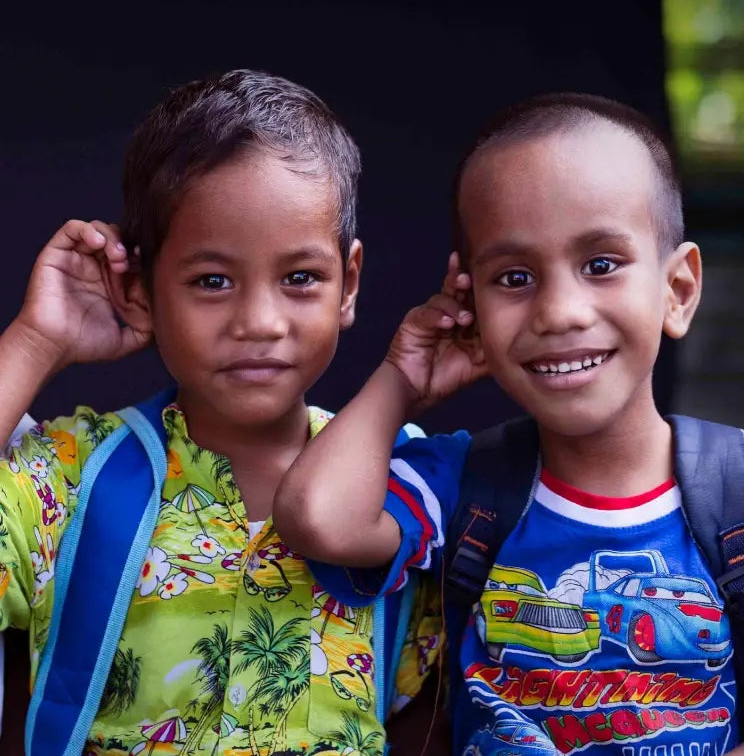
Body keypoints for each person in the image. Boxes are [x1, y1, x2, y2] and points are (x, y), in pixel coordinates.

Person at [274, 93, 743, 755]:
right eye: (515, 278)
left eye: (601, 265)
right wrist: (403, 378)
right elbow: (317, 517)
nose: (559, 311)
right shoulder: (464, 484)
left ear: (678, 291)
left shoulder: (735, 492)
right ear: (470, 301)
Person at [0, 69, 438, 755]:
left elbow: (435, 710)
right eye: (212, 281)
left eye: (300, 278)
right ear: (139, 288)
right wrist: (36, 341)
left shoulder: (399, 484)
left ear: (348, 285)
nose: (259, 321)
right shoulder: (72, 476)